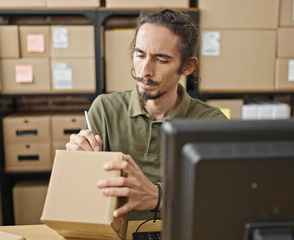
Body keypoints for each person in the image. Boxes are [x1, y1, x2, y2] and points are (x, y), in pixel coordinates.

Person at [66, 9, 227, 220]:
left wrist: (159, 196)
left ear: (187, 66)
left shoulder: (212, 123)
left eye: (161, 60)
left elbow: (223, 198)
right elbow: (79, 195)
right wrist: (75, 164)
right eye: (140, 55)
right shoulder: (104, 109)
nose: (144, 71)